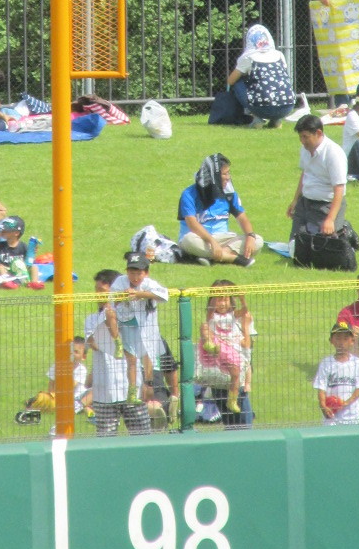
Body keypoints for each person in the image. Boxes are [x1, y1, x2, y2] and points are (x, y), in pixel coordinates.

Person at [85, 270, 151, 436]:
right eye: (97, 291)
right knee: (105, 439)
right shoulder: (91, 319)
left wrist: (148, 382)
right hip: (104, 391)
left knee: (142, 436)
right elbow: (93, 343)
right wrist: (107, 317)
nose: (98, 295)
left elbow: (145, 349)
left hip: (132, 389)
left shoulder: (132, 316)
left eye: (103, 291)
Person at [177, 154, 264, 266]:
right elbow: (192, 224)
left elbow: (242, 217)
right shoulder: (189, 194)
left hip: (223, 239)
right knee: (188, 240)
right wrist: (212, 242)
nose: (228, 177)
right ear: (214, 176)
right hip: (199, 238)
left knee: (258, 241)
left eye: (228, 173)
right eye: (224, 174)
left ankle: (216, 256)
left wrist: (250, 236)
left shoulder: (229, 193)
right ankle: (233, 259)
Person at [112, 251, 172, 407]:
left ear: (146, 273)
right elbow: (111, 299)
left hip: (147, 329)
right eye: (132, 272)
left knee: (148, 358)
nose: (135, 277)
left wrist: (140, 294)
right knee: (131, 360)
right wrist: (123, 296)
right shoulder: (120, 282)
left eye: (139, 273)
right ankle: (132, 392)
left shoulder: (149, 284)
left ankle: (149, 385)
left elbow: (164, 295)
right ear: (127, 272)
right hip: (126, 326)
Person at [287, 115, 349, 238]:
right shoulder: (305, 149)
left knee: (322, 245)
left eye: (305, 137)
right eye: (300, 137)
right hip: (305, 203)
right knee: (296, 246)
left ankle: (341, 227)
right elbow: (305, 174)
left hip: (326, 205)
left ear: (318, 133)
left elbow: (339, 188)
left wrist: (330, 219)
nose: (302, 141)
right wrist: (295, 200)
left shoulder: (333, 153)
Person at [226, 23, 294, 126]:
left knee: (237, 82)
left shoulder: (249, 57)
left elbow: (230, 81)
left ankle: (257, 118)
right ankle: (276, 120)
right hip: (287, 106)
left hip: (262, 107)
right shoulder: (279, 55)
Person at [197, 287, 252, 415]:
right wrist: (214, 296)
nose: (222, 303)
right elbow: (210, 310)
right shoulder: (212, 316)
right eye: (219, 300)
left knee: (236, 374)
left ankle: (232, 400)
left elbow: (245, 311)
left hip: (230, 350)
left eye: (225, 300)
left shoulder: (232, 315)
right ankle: (208, 344)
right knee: (205, 327)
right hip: (216, 347)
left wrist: (242, 299)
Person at [15, 337, 93, 426]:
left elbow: (70, 386)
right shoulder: (58, 364)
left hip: (76, 398)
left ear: (83, 357)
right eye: (70, 350)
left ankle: (91, 415)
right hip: (60, 398)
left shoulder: (81, 369)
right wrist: (51, 395)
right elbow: (52, 382)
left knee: (91, 396)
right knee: (42, 398)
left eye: (76, 352)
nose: (72, 353)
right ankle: (29, 414)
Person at [313, 322, 359, 424]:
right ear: (331, 341)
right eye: (338, 338)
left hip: (351, 415)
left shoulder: (357, 363)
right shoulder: (326, 363)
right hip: (331, 416)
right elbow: (321, 388)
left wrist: (345, 403)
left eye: (345, 338)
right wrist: (323, 406)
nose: (341, 342)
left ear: (352, 341)